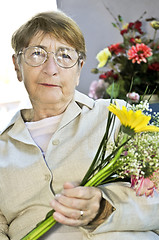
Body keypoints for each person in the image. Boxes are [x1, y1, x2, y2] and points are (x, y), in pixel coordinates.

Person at [0, 10, 159, 240]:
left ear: (79, 68)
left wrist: (103, 210)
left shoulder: (117, 117)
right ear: (17, 66)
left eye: (64, 56)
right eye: (37, 54)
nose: (51, 68)